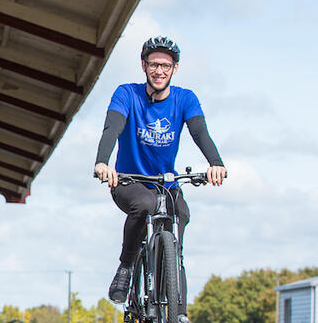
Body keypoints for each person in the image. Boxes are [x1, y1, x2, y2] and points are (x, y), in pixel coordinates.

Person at [93, 36, 227, 323]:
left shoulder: (185, 98)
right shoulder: (127, 94)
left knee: (181, 214)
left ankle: (178, 311)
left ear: (175, 69)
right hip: (129, 180)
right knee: (144, 205)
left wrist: (215, 163)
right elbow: (112, 128)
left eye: (165, 65)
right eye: (153, 64)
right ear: (144, 66)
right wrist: (103, 162)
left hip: (166, 183)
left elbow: (200, 133)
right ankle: (126, 267)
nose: (159, 71)